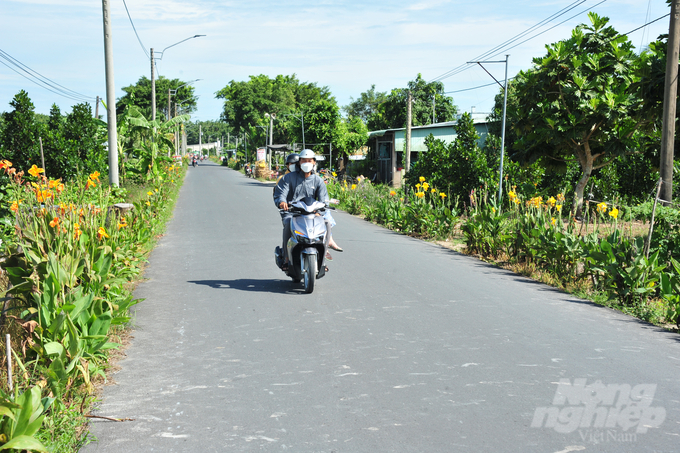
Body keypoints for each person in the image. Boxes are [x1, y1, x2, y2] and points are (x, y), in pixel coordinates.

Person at [274, 150, 342, 268]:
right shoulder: (288, 178)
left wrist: (321, 209)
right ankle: (286, 256)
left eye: (309, 160)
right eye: (303, 160)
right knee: (287, 223)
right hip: (292, 212)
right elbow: (281, 193)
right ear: (299, 162)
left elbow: (323, 200)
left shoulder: (318, 181)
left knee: (326, 223)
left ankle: (324, 252)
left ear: (314, 162)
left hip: (312, 213)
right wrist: (282, 202)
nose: (306, 163)